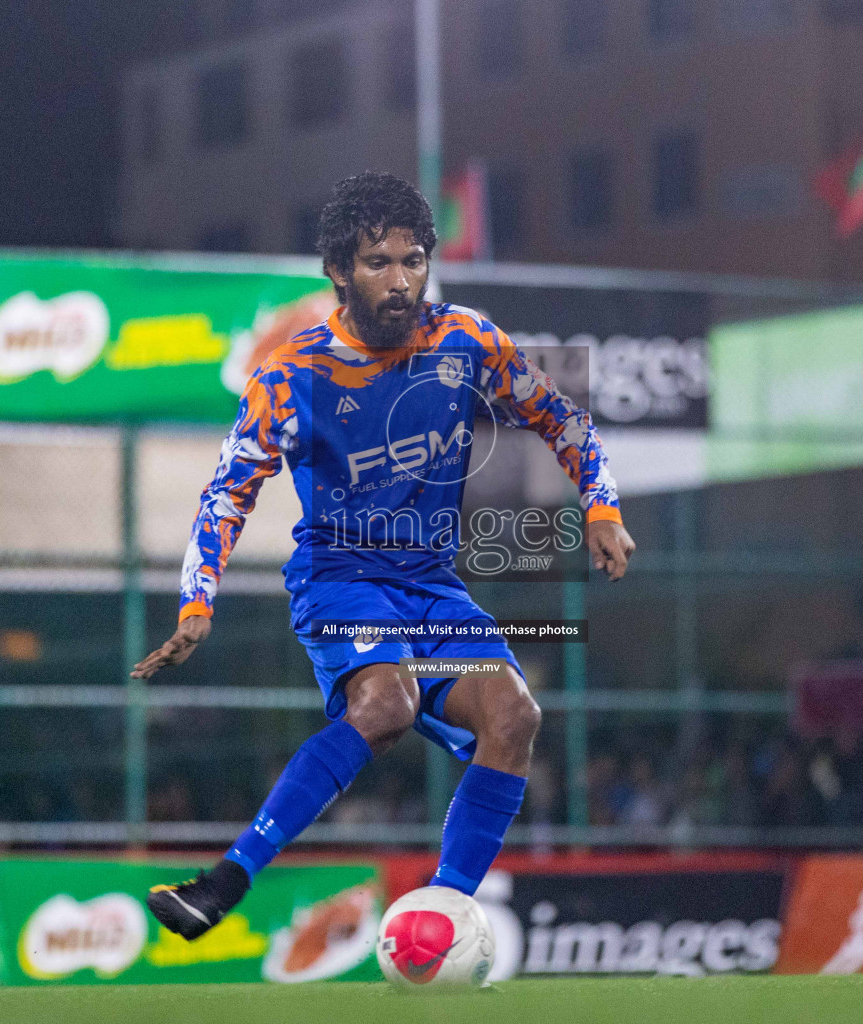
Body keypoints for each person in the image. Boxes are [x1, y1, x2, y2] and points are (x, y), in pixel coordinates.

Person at [132, 171, 634, 941]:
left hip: (432, 586)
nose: (401, 283)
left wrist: (600, 506)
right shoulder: (291, 373)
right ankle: (224, 881)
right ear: (339, 271)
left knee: (513, 714)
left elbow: (565, 420)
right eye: (378, 264)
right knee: (386, 704)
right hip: (341, 581)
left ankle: (443, 913)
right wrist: (197, 605)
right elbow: (226, 493)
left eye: (413, 261)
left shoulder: (466, 340)